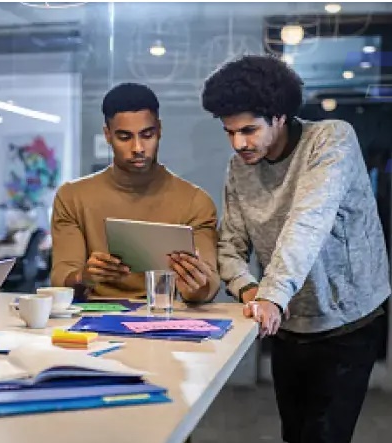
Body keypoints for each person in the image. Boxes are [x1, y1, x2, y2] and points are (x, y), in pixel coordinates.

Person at [202, 54, 389, 443]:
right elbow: (230, 245)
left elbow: (308, 220)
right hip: (287, 323)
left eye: (249, 130)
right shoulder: (239, 168)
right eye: (228, 132)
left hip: (348, 321)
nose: (238, 143)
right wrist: (250, 290)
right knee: (295, 434)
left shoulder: (332, 140)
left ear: (280, 116)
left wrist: (271, 294)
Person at [50, 82, 220, 302]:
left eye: (147, 135)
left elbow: (210, 283)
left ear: (159, 129)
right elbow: (61, 278)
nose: (138, 148)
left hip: (163, 316)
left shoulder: (196, 201)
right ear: (107, 135)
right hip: (93, 321)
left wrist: (195, 286)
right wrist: (84, 276)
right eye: (124, 137)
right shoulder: (72, 197)